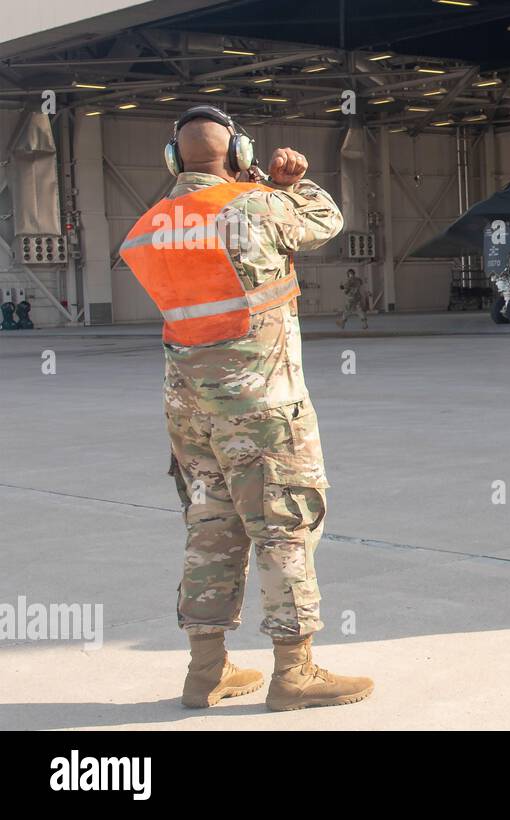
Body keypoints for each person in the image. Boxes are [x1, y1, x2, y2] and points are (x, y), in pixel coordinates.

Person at [120, 105, 374, 710]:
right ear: (237, 152)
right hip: (261, 403)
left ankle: (206, 671)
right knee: (285, 526)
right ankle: (295, 673)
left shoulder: (151, 225)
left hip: (188, 406)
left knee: (210, 529)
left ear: (172, 159)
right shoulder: (257, 205)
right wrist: (281, 181)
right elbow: (327, 220)